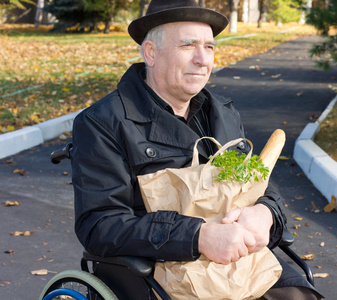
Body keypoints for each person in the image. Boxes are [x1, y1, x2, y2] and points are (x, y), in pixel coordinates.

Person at [71, 0, 323, 299]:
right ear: (151, 53)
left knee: (299, 295)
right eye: (188, 45)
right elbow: (101, 225)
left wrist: (266, 213)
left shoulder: (223, 114)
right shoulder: (103, 122)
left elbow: (258, 184)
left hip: (240, 261)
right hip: (157, 267)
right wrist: (198, 236)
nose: (203, 59)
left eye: (210, 47)